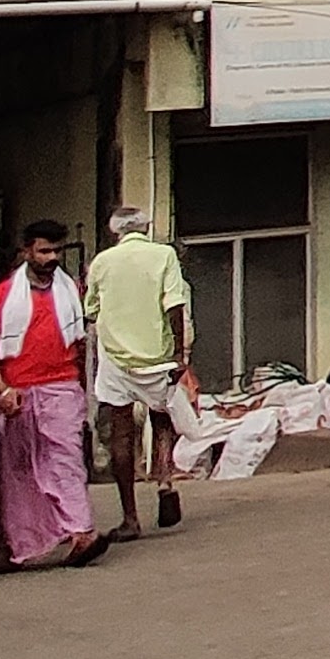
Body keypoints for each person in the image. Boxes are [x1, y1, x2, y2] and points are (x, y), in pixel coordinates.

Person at [0, 219, 101, 571]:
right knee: (16, 473)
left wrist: (81, 387)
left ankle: (81, 534)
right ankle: (14, 546)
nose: (52, 258)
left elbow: (81, 346)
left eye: (57, 251)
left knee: (66, 462)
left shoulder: (72, 292)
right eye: (45, 250)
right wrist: (0, 390)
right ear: (26, 252)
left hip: (62, 388)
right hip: (16, 392)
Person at [84, 204, 199, 539]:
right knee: (162, 416)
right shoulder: (163, 256)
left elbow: (91, 308)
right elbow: (175, 305)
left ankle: (130, 518)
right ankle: (163, 479)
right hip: (158, 357)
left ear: (115, 231)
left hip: (117, 360)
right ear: (146, 228)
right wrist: (179, 354)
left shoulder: (102, 262)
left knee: (122, 432)